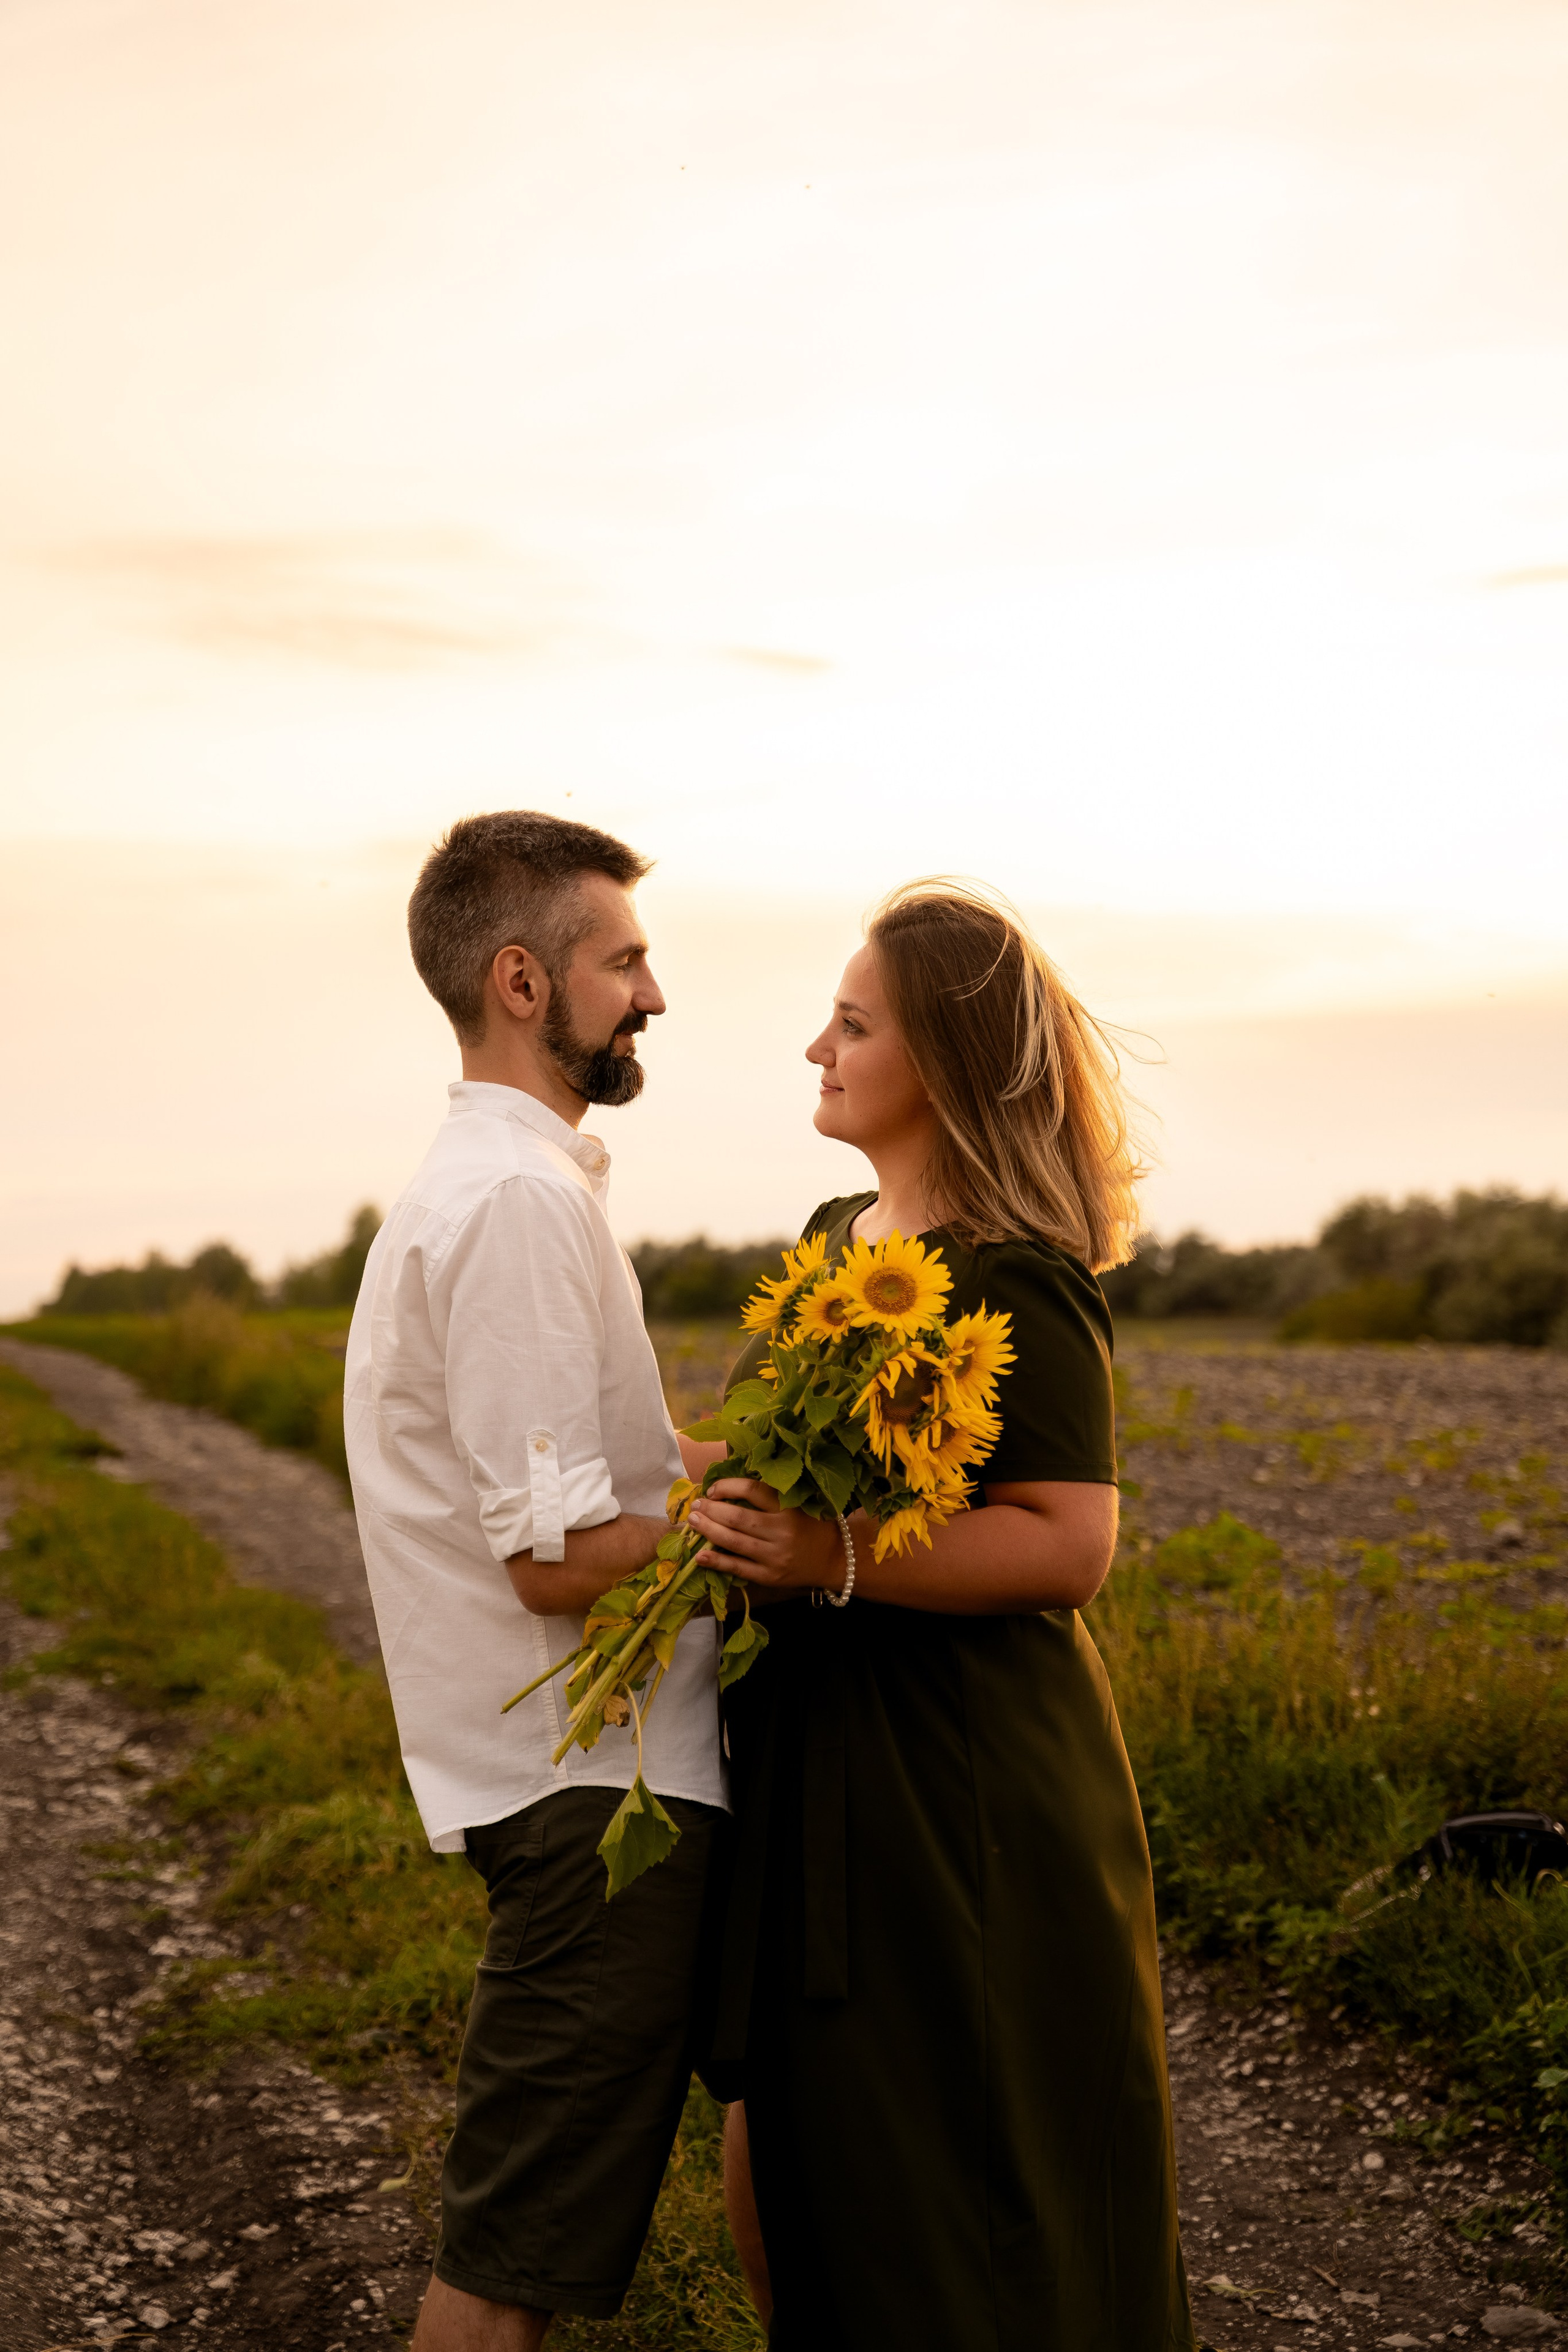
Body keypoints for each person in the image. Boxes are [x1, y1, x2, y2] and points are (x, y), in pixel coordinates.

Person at [684, 879, 1198, 2351]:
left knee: (962, 2190)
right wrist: (659, 1471)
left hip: (960, 1785)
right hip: (817, 1762)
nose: (813, 1050)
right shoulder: (837, 1235)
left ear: (946, 1063)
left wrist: (824, 1555)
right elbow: (791, 1472)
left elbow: (1066, 1542)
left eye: (850, 1025)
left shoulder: (1013, 1277)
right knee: (792, 2179)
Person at [344, 812, 728, 2352]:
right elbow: (557, 1558)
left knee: (526, 2256)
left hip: (583, 1787)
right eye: (622, 959)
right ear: (521, 979)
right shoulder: (510, 1206)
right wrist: (756, 1534)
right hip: (589, 1801)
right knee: (506, 2278)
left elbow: (586, 1485)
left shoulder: (511, 1189)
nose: (651, 993)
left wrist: (719, 1465)